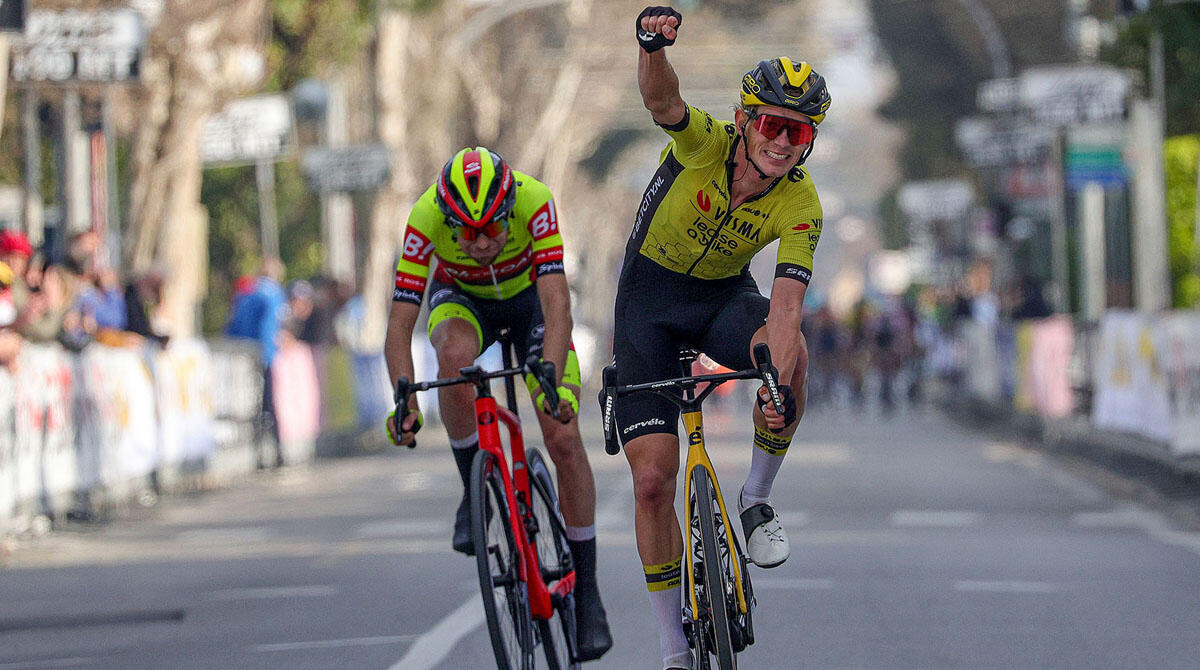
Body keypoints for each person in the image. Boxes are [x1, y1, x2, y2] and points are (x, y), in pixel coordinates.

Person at [615, 8, 830, 668]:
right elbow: (663, 100)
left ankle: (757, 499)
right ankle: (673, 645)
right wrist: (652, 45)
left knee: (787, 360)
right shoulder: (706, 143)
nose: (782, 141)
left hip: (720, 300)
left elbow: (787, 310)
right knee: (653, 481)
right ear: (744, 121)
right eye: (771, 123)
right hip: (648, 305)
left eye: (798, 131)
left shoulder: (801, 203)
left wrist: (775, 387)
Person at [383, 147, 612, 660]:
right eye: (466, 233)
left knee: (563, 437)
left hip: (532, 301)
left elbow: (557, 305)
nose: (482, 243)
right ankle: (474, 485)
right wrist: (404, 397)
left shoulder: (536, 201)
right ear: (447, 224)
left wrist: (551, 373)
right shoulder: (422, 218)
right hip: (464, 302)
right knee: (453, 358)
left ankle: (589, 591)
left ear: (510, 211)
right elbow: (400, 323)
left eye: (492, 229)